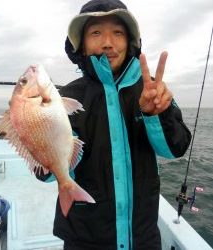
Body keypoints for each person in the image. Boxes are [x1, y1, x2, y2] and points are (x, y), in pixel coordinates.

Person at [36, 0, 192, 249]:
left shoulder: (150, 89)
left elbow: (175, 149)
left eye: (118, 32)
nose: (108, 42)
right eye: (96, 32)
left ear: (130, 41)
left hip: (143, 237)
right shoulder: (65, 98)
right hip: (84, 238)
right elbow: (43, 174)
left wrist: (156, 115)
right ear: (81, 45)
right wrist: (37, 135)